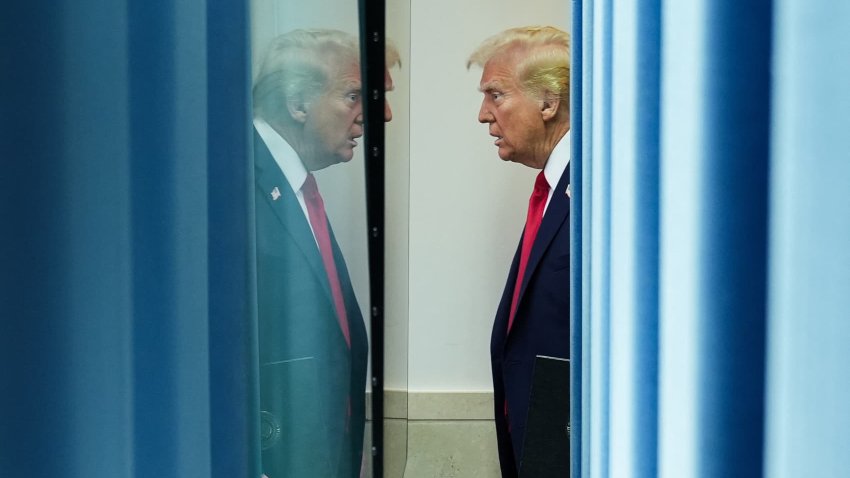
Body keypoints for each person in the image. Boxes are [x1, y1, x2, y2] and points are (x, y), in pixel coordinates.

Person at [252, 29, 398, 477]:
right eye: (355, 96)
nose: (379, 116)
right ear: (298, 104)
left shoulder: (290, 186)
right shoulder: (234, 181)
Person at [468, 26, 571, 478]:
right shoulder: (554, 188)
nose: (483, 115)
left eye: (496, 95)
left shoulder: (606, 186)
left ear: (549, 103)